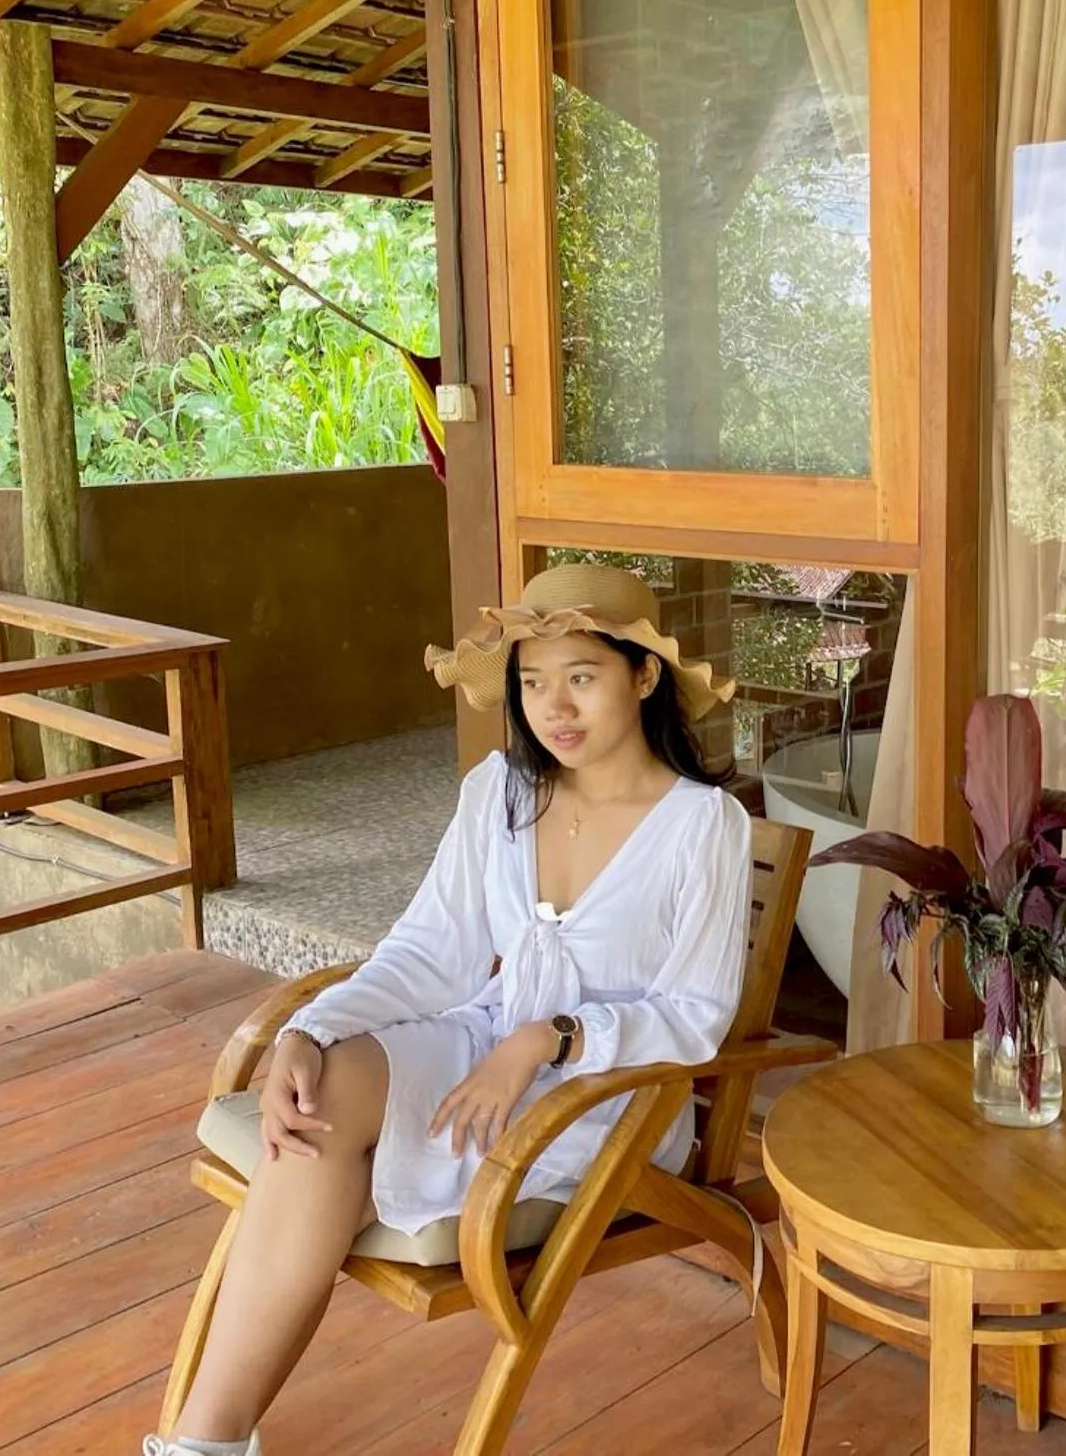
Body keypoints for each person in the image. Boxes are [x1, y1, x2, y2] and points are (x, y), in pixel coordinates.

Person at [147, 565, 751, 1456]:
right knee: (321, 1097)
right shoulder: (499, 791)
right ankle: (210, 1441)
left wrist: (547, 1038)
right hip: (480, 1046)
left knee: (312, 1153)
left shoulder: (703, 825)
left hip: (609, 1095)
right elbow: (431, 953)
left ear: (644, 675)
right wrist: (313, 1028)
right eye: (533, 680)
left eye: (582, 675)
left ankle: (206, 1441)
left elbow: (695, 1014)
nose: (556, 707)